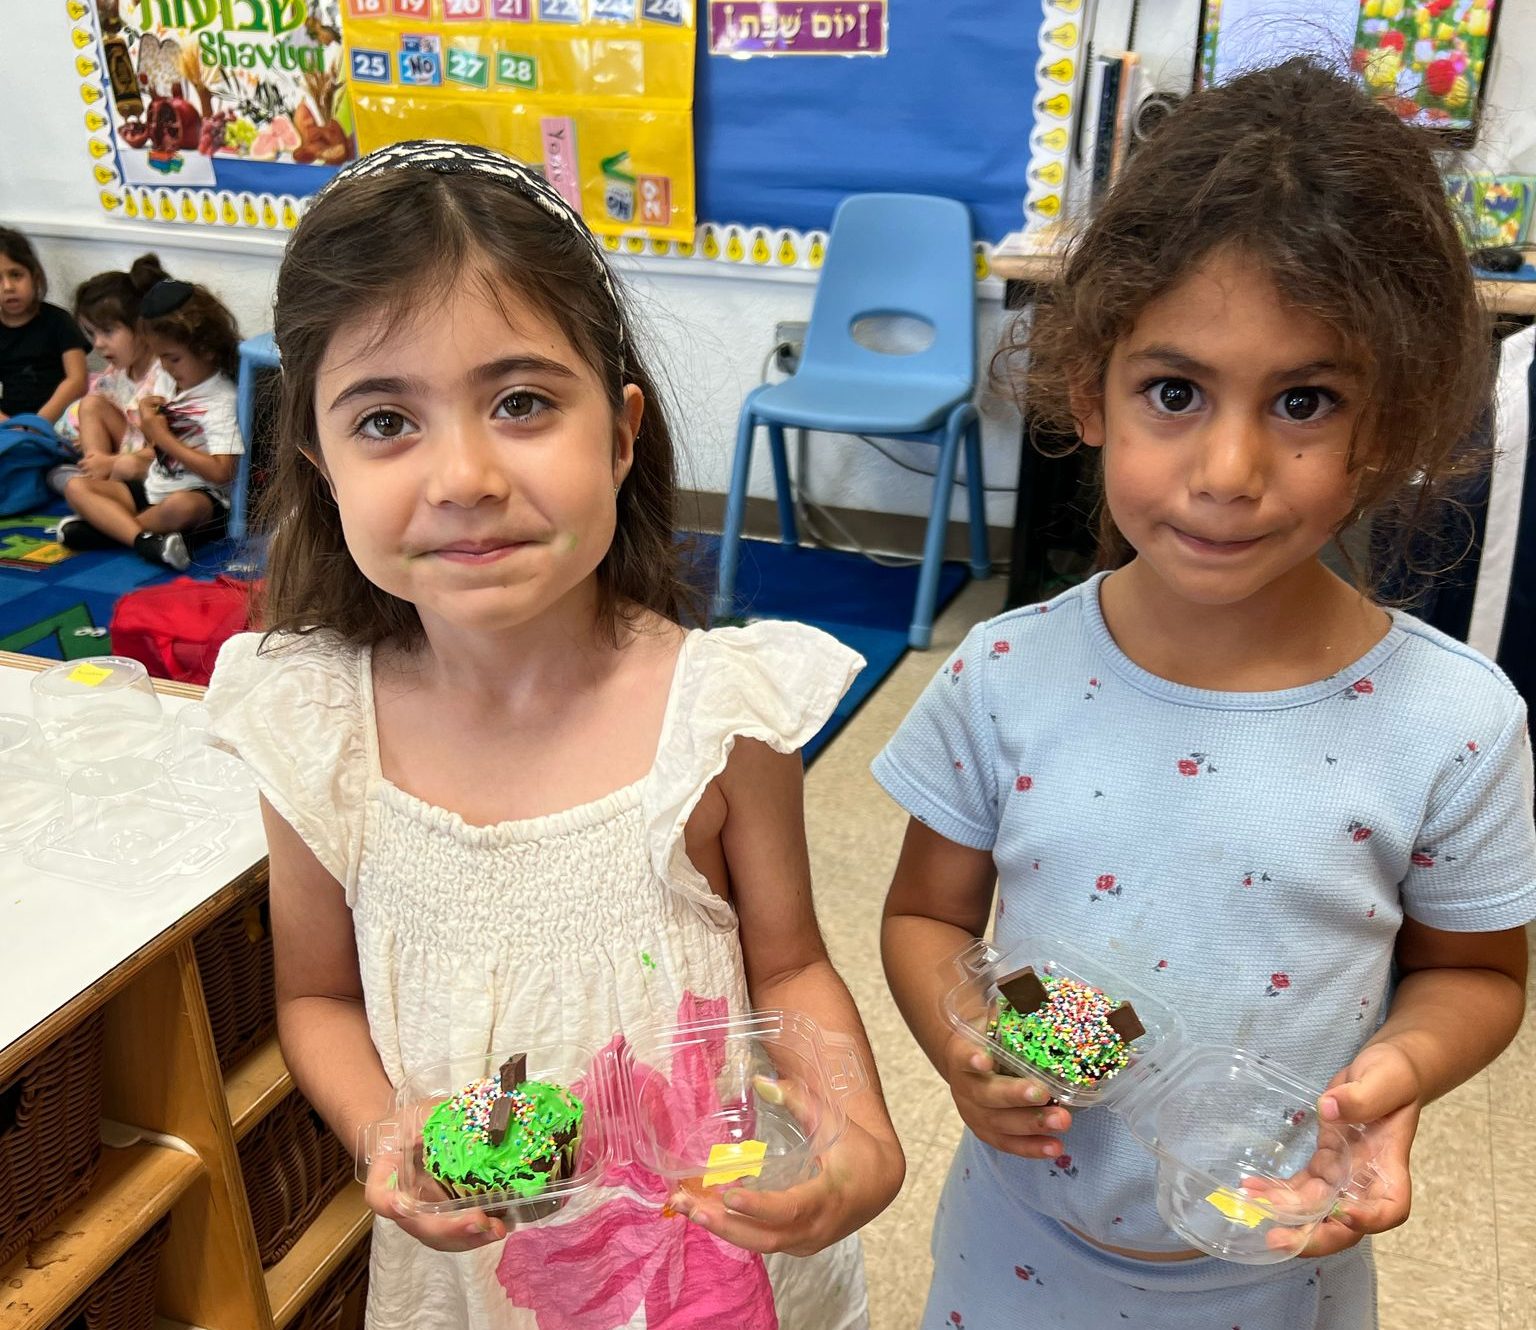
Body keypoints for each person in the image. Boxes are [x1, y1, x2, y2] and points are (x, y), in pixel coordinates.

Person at [874, 60, 1534, 1329]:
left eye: (1303, 401)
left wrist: (1399, 1065)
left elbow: (1481, 976)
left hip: (1287, 1264)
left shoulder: (1454, 724)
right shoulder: (1003, 677)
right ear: (1092, 391)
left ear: (1384, 426)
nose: (1227, 470)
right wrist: (962, 1047)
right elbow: (925, 918)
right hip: (1016, 1246)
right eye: (1175, 392)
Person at [204, 141, 903, 1330]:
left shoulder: (722, 713)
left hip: (710, 1261)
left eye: (522, 402)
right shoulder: (317, 725)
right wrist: (385, 1128)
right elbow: (316, 997)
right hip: (477, 1280)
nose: (465, 474)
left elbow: (787, 969)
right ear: (319, 468)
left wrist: (865, 1135)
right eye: (386, 420)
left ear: (621, 434)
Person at [58, 276, 242, 570]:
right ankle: (141, 538)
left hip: (199, 495)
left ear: (207, 349)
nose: (165, 369)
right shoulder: (171, 381)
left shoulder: (221, 399)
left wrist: (164, 438)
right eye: (162, 360)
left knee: (182, 506)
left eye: (173, 359)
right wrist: (146, 412)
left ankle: (108, 529)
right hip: (154, 487)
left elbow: (222, 472)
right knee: (75, 488)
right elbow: (154, 443)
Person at [50, 252, 177, 493]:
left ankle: (99, 491)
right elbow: (99, 415)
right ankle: (95, 479)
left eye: (107, 332)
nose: (97, 344)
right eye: (91, 334)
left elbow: (167, 448)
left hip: (153, 463)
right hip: (123, 453)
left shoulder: (164, 376)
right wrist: (91, 447)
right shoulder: (117, 372)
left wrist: (110, 462)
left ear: (142, 327)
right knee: (91, 404)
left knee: (121, 467)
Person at [0, 226, 88, 427]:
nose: (8, 287)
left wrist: (39, 423)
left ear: (35, 277)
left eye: (16, 275)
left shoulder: (59, 321)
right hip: (8, 424)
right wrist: (10, 427)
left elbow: (77, 380)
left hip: (58, 419)